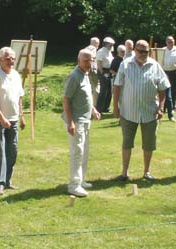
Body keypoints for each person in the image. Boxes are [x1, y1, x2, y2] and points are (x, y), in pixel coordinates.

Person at [112, 40, 170, 181]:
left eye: (145, 51)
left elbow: (163, 88)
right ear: (134, 50)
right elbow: (117, 86)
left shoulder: (155, 66)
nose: (142, 54)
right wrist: (115, 107)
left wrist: (161, 107)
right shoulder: (125, 65)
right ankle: (124, 173)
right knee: (127, 143)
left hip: (149, 112)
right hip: (128, 111)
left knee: (149, 144)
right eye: (140, 51)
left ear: (149, 51)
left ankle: (146, 172)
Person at [0, 47, 26, 196]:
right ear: (0, 60)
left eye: (13, 58)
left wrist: (21, 116)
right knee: (0, 151)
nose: (11, 61)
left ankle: (8, 181)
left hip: (13, 118)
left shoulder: (16, 75)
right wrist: (2, 118)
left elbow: (19, 97)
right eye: (8, 58)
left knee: (12, 150)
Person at [63, 49, 101, 197]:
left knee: (84, 152)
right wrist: (70, 122)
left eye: (91, 60)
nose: (89, 63)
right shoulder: (74, 76)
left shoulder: (86, 74)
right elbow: (66, 99)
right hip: (76, 121)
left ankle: (81, 180)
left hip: (85, 120)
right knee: (77, 153)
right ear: (79, 60)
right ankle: (74, 185)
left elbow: (85, 97)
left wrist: (93, 110)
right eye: (86, 60)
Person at [95, 37, 115, 113]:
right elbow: (99, 63)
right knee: (103, 91)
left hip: (109, 71)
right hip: (103, 71)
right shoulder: (101, 51)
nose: (112, 46)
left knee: (109, 90)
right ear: (106, 44)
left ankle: (106, 107)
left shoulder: (109, 51)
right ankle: (99, 109)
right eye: (110, 45)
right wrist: (102, 73)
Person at [85, 37, 100, 105]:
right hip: (92, 71)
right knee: (95, 89)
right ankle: (94, 106)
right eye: (98, 44)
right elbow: (92, 60)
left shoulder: (85, 49)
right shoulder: (93, 49)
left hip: (85, 71)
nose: (98, 46)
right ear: (96, 43)